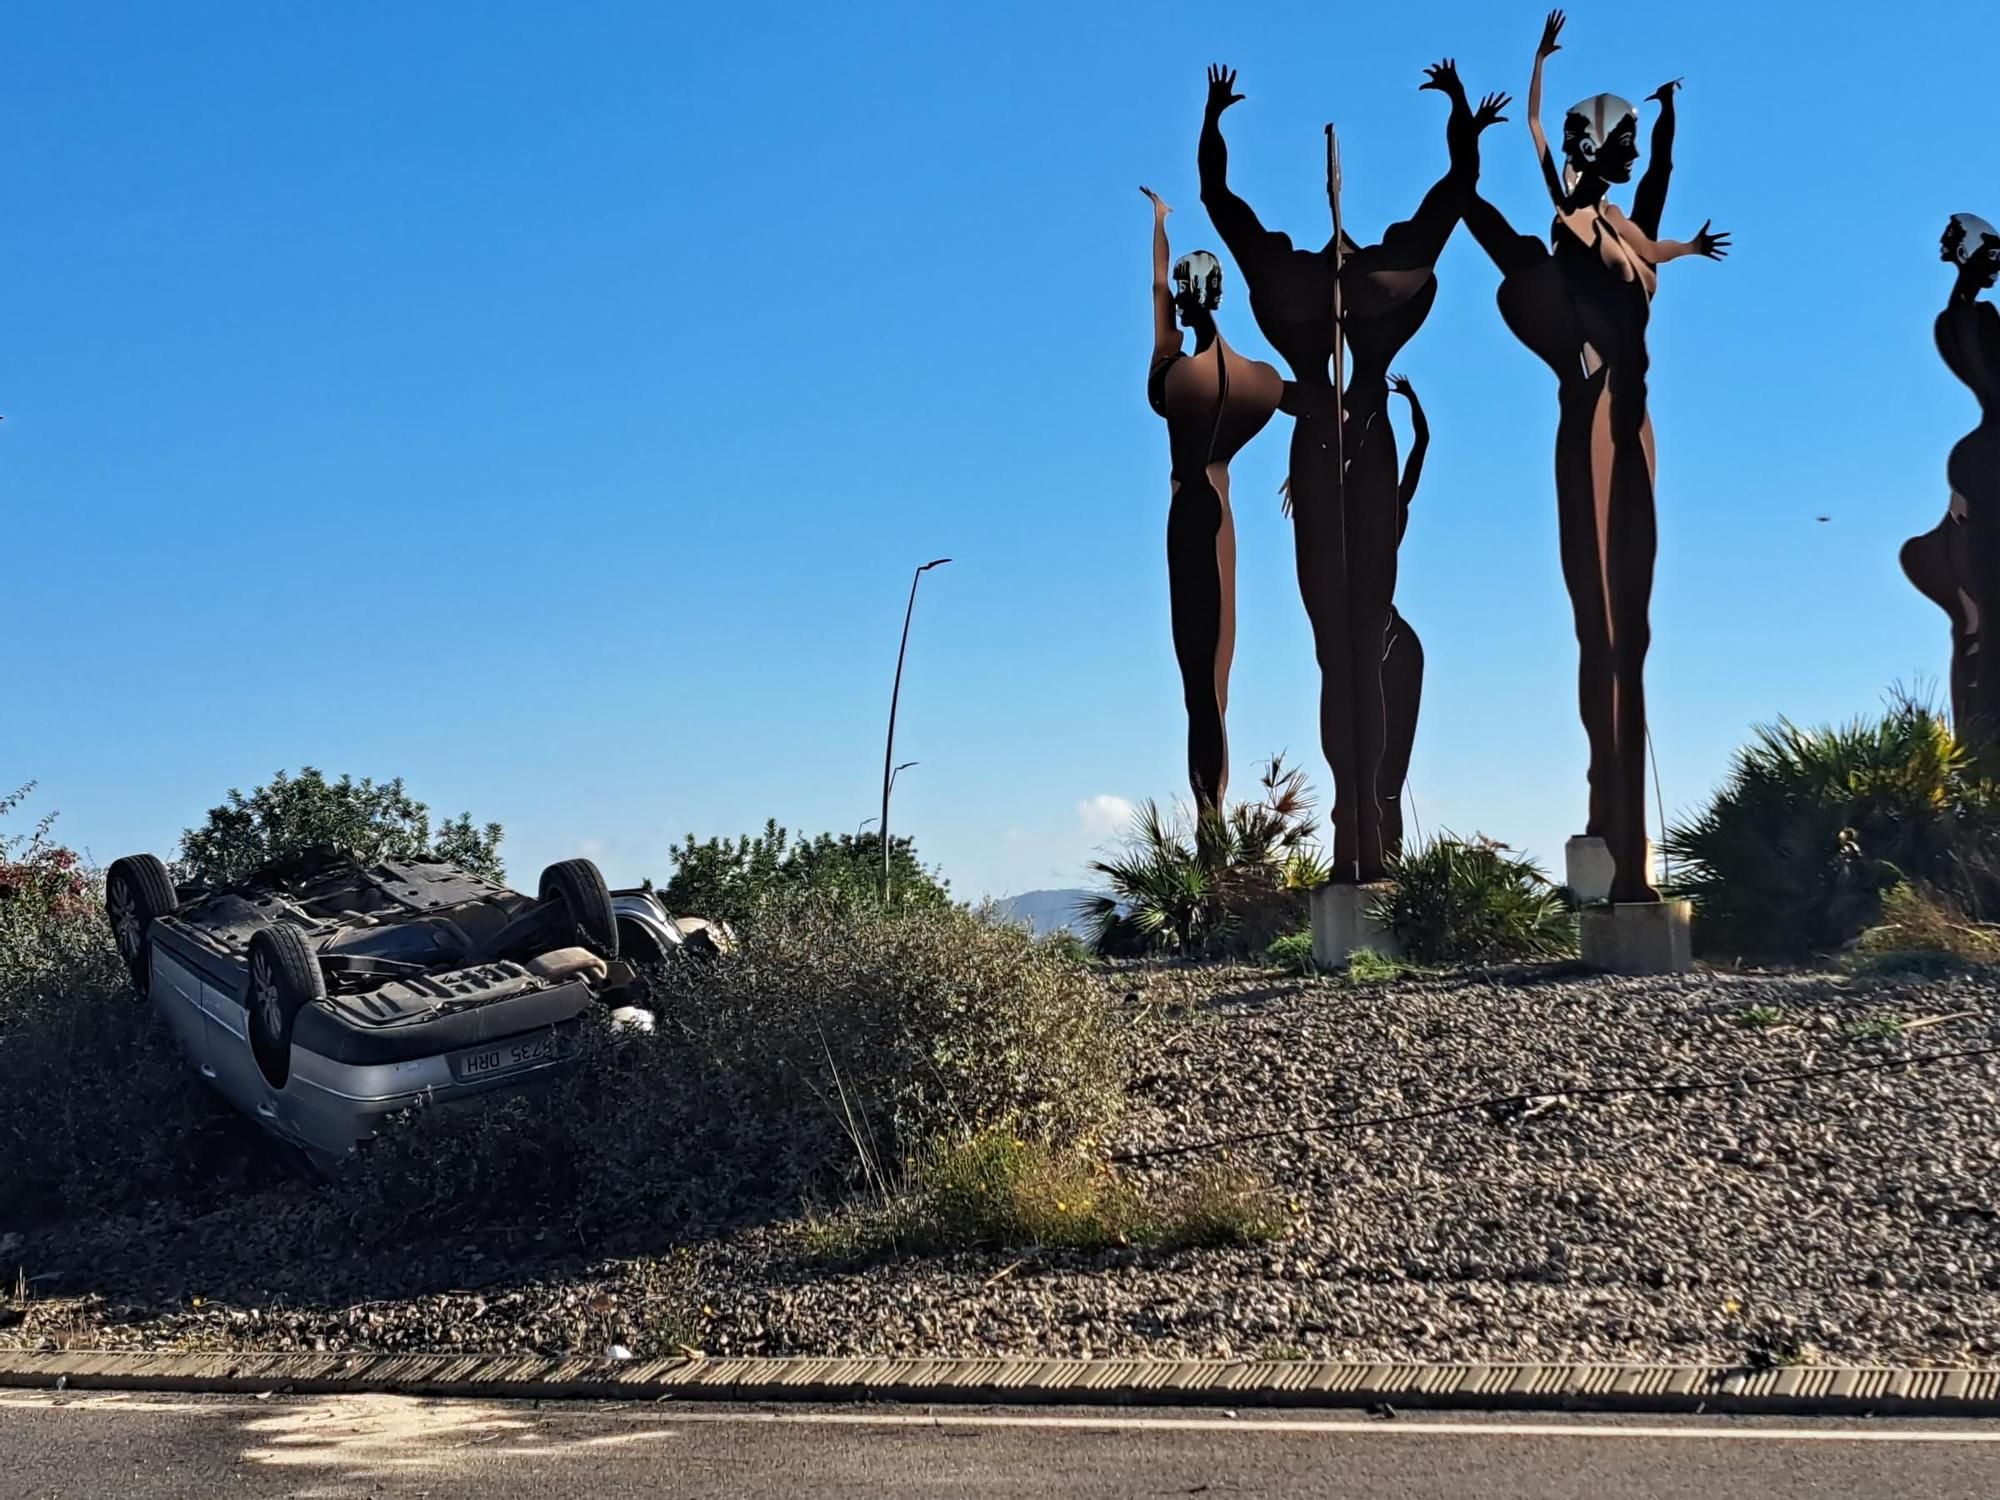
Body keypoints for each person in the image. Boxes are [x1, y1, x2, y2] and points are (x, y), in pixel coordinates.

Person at [1198, 61, 1507, 883]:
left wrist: (1215, 120)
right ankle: (1357, 828)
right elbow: (1455, 188)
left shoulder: (1290, 274)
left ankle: (1361, 830)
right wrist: (1461, 123)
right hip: (1357, 442)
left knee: (1349, 642)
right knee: (1345, 641)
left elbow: (1219, 201)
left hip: (1345, 445)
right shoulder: (1377, 269)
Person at [1456, 10, 1727, 904]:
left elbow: (1660, 230)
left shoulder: (1629, 230)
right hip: (1592, 421)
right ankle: (1611, 830)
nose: (1635, 153)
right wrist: (1533, 67)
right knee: (1600, 629)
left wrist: (1675, 132)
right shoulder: (1572, 222)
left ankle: (1626, 841)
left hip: (1638, 429)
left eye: (1638, 141)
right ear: (1594, 146)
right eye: (1627, 141)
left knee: (1635, 633)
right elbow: (1535, 142)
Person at [1142, 186, 1284, 811]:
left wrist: (1160, 229)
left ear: (1182, 296)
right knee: (1217, 682)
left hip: (1187, 518)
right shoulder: (1262, 379)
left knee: (1196, 684)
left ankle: (1210, 825)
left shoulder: (1177, 371)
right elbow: (1322, 404)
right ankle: (1214, 818)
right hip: (1225, 522)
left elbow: (1157, 305)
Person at [1903, 213, 2000, 759]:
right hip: (1982, 466)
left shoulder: (1959, 321)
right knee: (1979, 617)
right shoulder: (1967, 321)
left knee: (1976, 619)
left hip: (1977, 466)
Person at [1379, 373, 1429, 855]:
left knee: (1389, 778)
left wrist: (1412, 402)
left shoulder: (1393, 507)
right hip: (1372, 640)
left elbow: (1420, 447)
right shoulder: (1351, 517)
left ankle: (1391, 867)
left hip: (1392, 642)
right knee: (1373, 776)